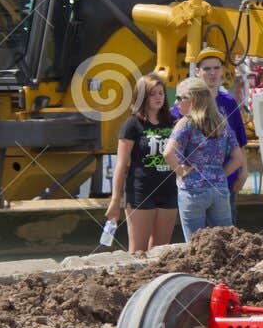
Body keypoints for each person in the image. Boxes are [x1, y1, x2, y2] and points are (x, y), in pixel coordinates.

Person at [165, 77, 246, 241]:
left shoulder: (185, 123)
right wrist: (220, 174)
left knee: (196, 246)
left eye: (181, 98)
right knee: (227, 243)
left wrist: (181, 172)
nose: (176, 102)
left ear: (195, 100)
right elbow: (238, 159)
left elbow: (167, 153)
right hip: (219, 189)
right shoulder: (221, 122)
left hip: (193, 190)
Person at [105, 73, 177, 255]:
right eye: (153, 94)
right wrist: (116, 200)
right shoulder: (132, 124)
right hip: (141, 191)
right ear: (142, 97)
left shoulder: (172, 122)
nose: (158, 97)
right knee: (138, 252)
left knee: (161, 253)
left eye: (161, 93)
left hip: (169, 190)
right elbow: (121, 165)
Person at [172, 48, 249, 215]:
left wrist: (244, 171)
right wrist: (180, 170)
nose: (212, 73)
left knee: (225, 235)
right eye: (207, 68)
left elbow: (240, 141)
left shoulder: (228, 102)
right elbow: (172, 143)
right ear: (198, 72)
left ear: (222, 70)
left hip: (224, 184)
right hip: (194, 187)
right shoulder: (185, 101)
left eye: (216, 67)